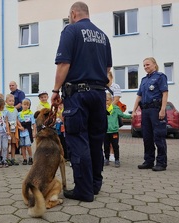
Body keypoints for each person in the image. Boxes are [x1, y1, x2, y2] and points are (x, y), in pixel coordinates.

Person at [51, 2, 112, 202]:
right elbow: (107, 71)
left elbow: (64, 63)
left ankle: (84, 191)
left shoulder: (70, 30)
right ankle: (95, 185)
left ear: (73, 13)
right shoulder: (103, 36)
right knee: (96, 140)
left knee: (78, 140)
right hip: (99, 94)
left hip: (78, 95)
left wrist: (55, 90)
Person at [132, 57, 168, 172]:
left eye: (147, 64)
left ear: (154, 64)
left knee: (159, 136)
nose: (145, 67)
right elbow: (139, 96)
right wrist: (134, 110)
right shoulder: (143, 80)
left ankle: (161, 163)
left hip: (156, 110)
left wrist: (162, 109)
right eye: (144, 65)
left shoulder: (160, 77)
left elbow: (165, 93)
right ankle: (148, 161)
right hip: (145, 111)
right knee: (147, 137)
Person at [104, 93, 131, 167]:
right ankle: (106, 159)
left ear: (111, 100)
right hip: (106, 131)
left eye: (107, 100)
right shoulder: (102, 109)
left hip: (114, 131)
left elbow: (123, 115)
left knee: (115, 146)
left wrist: (131, 116)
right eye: (105, 101)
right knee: (106, 146)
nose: (106, 102)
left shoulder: (115, 108)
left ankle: (117, 159)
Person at [107, 71, 123, 162]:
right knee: (105, 133)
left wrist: (107, 110)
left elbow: (116, 99)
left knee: (113, 132)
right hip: (104, 114)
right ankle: (106, 152)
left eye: (107, 77)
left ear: (111, 77)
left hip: (112, 113)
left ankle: (112, 153)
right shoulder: (101, 86)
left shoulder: (115, 86)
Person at [17, 98, 36, 165]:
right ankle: (24, 158)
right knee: (22, 146)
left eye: (27, 105)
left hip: (28, 132)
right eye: (24, 104)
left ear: (29, 106)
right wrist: (20, 127)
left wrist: (34, 132)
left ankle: (30, 157)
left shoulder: (31, 114)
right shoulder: (19, 114)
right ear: (22, 105)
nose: (25, 106)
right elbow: (17, 121)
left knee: (28, 145)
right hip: (21, 132)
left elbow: (33, 123)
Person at [5, 94, 19, 166]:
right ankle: (7, 158)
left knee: (13, 143)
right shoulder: (5, 109)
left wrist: (19, 126)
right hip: (8, 129)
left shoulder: (15, 109)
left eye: (13, 101)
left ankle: (13, 158)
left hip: (14, 129)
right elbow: (5, 120)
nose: (11, 102)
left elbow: (17, 119)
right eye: (10, 101)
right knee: (8, 144)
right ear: (6, 101)